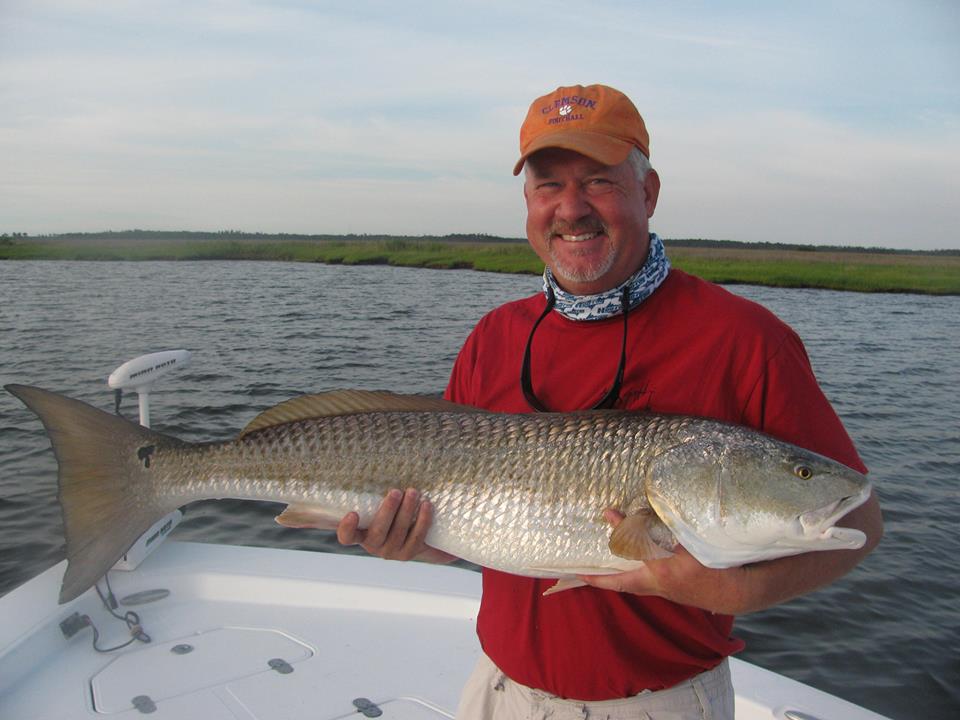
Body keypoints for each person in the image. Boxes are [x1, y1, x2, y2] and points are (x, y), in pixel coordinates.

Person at [335, 83, 884, 719]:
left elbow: (857, 524)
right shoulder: (494, 336)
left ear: (647, 193)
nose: (571, 208)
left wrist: (734, 588)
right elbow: (470, 527)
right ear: (528, 204)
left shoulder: (747, 340)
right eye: (548, 186)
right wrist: (411, 538)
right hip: (498, 690)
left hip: (658, 704)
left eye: (598, 182)